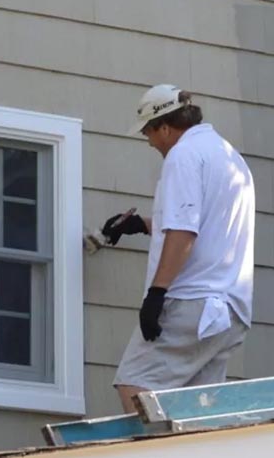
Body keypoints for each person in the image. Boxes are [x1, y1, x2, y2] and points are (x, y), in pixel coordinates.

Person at [102, 84, 255, 412]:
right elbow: (205, 223)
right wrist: (140, 224)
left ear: (165, 127)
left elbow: (185, 232)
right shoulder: (228, 157)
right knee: (194, 411)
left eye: (149, 133)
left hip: (192, 303)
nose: (149, 142)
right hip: (228, 312)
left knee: (136, 386)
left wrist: (156, 294)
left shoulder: (183, 155)